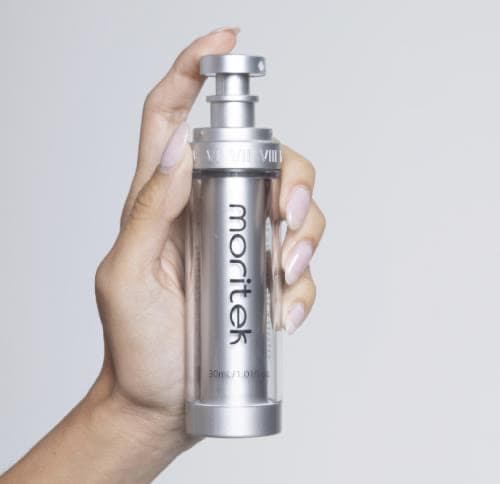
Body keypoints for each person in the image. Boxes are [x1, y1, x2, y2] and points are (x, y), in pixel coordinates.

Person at [0, 27, 326, 484]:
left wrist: (139, 414)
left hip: (224, 391)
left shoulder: (253, 160)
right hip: (192, 391)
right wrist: (136, 411)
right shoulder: (204, 163)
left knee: (245, 266)